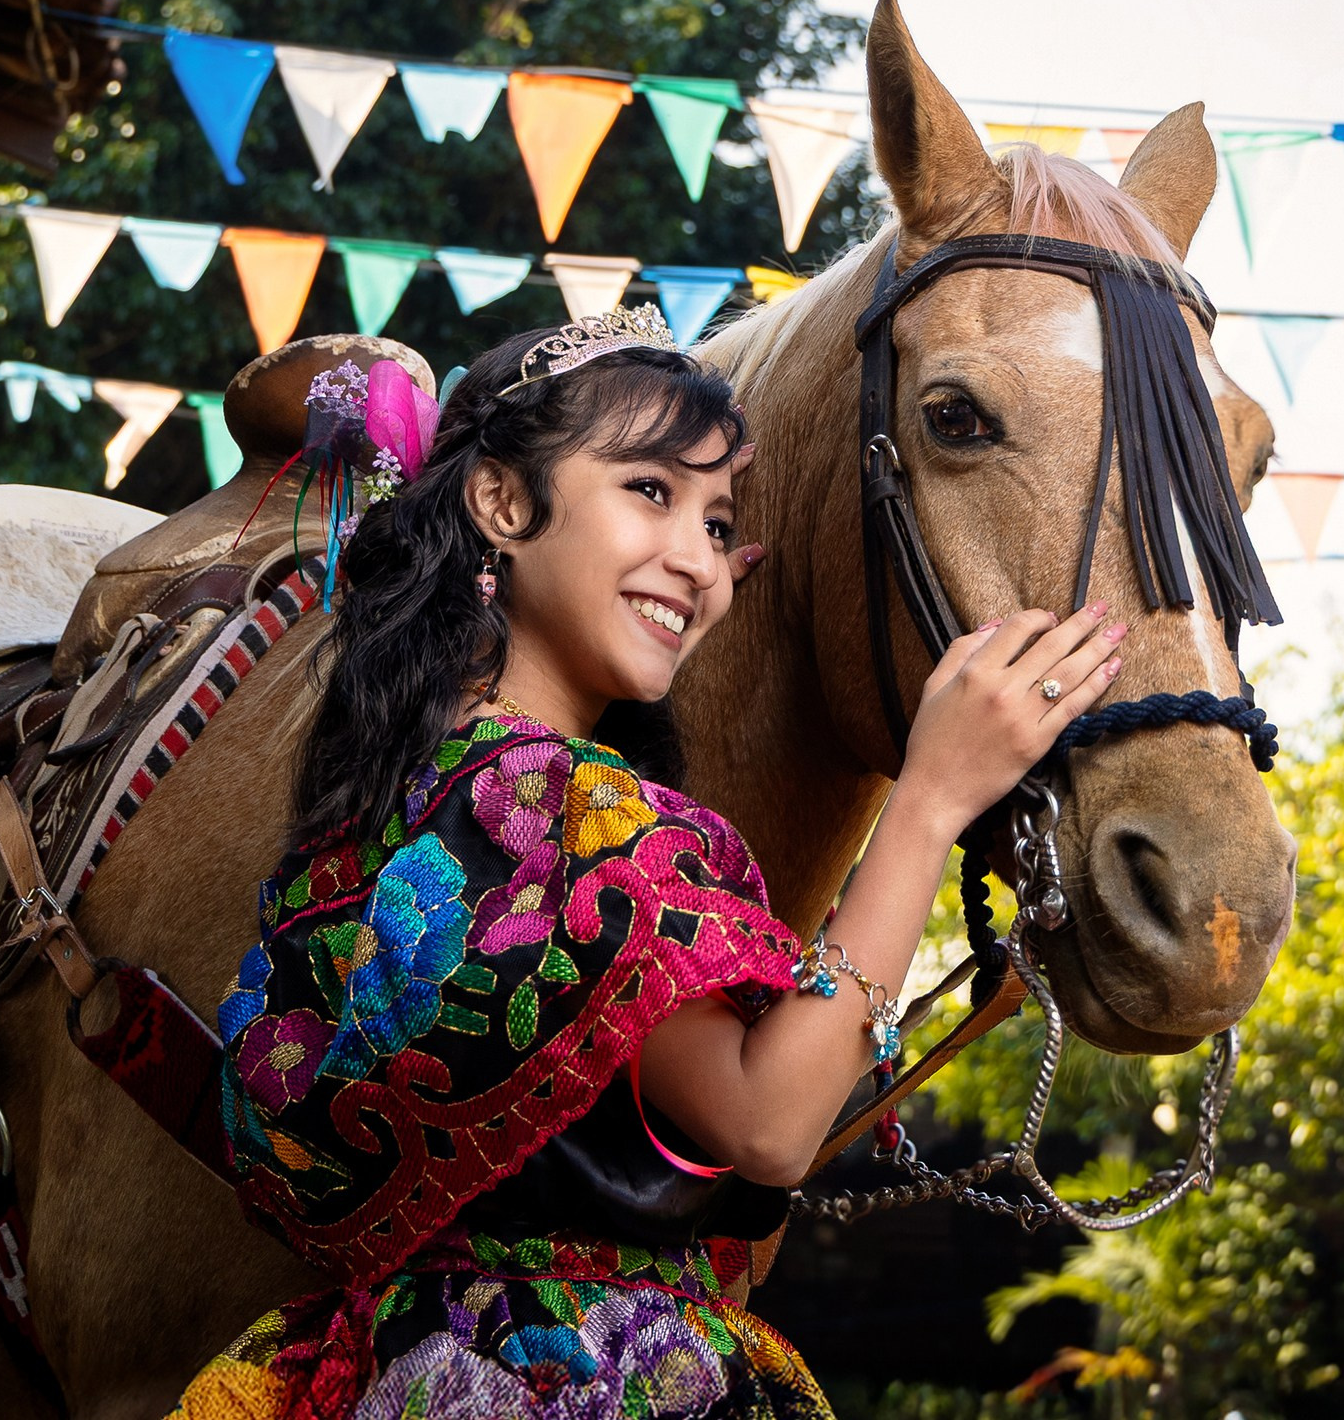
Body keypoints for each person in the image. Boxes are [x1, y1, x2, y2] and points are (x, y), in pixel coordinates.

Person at [170, 308, 1127, 1420]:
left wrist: (654, 593)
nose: (698, 556)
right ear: (501, 502)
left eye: (719, 526)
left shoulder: (389, 800)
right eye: (650, 492)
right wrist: (929, 798)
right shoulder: (588, 821)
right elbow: (768, 1125)